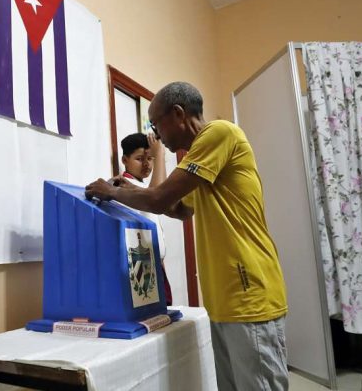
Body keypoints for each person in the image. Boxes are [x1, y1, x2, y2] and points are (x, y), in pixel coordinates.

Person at [87, 82, 289, 391]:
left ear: (178, 114)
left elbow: (158, 200)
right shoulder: (198, 160)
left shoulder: (219, 133)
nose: (158, 135)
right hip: (224, 299)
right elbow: (178, 209)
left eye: (157, 125)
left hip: (249, 293)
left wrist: (110, 191)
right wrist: (130, 190)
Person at [119, 132, 172, 305]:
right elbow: (156, 197)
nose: (146, 164)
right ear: (124, 160)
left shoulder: (142, 185)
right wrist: (160, 154)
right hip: (140, 268)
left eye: (150, 159)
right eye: (140, 158)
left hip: (156, 265)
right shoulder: (121, 185)